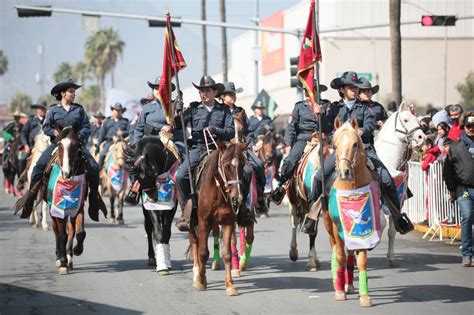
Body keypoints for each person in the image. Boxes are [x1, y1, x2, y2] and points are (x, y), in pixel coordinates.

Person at [305, 71, 413, 234]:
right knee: (319, 177)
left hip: (365, 151)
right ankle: (312, 216)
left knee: (387, 180)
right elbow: (326, 128)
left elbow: (370, 126)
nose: (355, 90)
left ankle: (398, 218)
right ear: (342, 90)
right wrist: (319, 116)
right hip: (341, 153)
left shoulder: (365, 108)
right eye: (350, 87)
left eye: (356, 87)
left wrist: (361, 131)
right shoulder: (334, 108)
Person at [16, 80, 106, 221]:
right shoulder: (53, 110)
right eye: (71, 91)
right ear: (63, 94)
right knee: (38, 166)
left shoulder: (79, 110)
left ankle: (94, 198)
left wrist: (79, 136)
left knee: (94, 166)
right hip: (57, 145)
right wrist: (54, 132)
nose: (74, 94)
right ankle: (30, 198)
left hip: (76, 145)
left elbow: (86, 127)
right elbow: (46, 127)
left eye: (74, 92)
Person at [174, 75, 235, 231]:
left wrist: (216, 131)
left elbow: (231, 131)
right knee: (181, 175)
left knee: (244, 170)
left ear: (215, 92)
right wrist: (177, 110)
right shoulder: (193, 109)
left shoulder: (224, 110)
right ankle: (187, 210)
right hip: (198, 148)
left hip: (219, 149)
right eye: (201, 91)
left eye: (207, 90)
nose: (203, 94)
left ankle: (242, 207)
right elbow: (176, 126)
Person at [270, 83, 328, 205]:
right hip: (304, 138)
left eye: (311, 91)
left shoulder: (326, 105)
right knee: (291, 160)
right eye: (306, 91)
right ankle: (282, 185)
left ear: (318, 91)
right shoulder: (299, 107)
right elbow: (292, 127)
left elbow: (330, 125)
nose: (308, 94)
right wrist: (288, 144)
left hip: (322, 138)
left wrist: (322, 115)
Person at [125, 77, 176, 204]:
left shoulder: (175, 106)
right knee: (132, 163)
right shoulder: (146, 109)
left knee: (186, 164)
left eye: (162, 88)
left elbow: (180, 127)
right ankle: (134, 188)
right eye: (155, 88)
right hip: (146, 145)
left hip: (168, 144)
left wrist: (178, 114)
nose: (158, 90)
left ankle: (186, 199)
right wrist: (136, 145)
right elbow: (139, 129)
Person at [219, 81, 268, 214]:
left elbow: (249, 132)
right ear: (223, 96)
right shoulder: (218, 111)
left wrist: (252, 145)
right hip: (225, 147)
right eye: (230, 94)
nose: (233, 96)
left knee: (258, 165)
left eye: (234, 94)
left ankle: (260, 198)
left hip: (242, 146)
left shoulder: (241, 111)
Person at [443, 112, 474, 267]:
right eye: (469, 126)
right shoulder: (456, 147)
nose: (471, 129)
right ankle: (467, 254)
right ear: (464, 127)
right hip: (464, 190)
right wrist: (452, 190)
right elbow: (447, 170)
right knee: (467, 217)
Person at [95, 103, 129, 170]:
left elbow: (130, 132)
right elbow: (102, 134)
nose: (117, 112)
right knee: (102, 155)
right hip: (110, 142)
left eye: (119, 110)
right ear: (113, 111)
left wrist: (123, 132)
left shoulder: (126, 121)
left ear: (121, 111)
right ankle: (97, 175)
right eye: (115, 110)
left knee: (130, 157)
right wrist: (98, 146)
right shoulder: (107, 121)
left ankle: (132, 178)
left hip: (122, 143)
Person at [19, 102, 47, 174]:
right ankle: (21, 180)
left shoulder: (48, 120)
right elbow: (24, 133)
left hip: (46, 146)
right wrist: (26, 145)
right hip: (32, 147)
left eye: (44, 109)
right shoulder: (31, 120)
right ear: (37, 110)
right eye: (41, 109)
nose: (43, 110)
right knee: (23, 159)